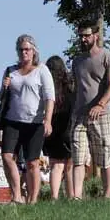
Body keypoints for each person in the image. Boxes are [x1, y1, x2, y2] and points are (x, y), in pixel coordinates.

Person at [0, 34, 55, 204]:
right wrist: (4, 87)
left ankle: (33, 199)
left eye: (27, 49)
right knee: (7, 156)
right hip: (12, 120)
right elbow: (1, 97)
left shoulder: (42, 70)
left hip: (34, 122)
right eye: (21, 49)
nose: (24, 53)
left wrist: (48, 120)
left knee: (32, 163)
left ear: (34, 50)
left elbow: (49, 97)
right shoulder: (10, 71)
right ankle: (16, 195)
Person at [70, 21, 110, 199]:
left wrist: (101, 104)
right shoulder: (77, 61)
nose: (83, 39)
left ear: (96, 35)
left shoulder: (109, 57)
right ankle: (76, 197)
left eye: (86, 35)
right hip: (79, 115)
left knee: (105, 156)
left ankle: (106, 196)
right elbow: (75, 88)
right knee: (78, 156)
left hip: (102, 114)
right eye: (81, 36)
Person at [43, 55, 75, 200]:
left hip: (51, 129)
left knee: (56, 165)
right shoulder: (70, 87)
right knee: (69, 166)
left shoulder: (47, 89)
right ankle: (72, 196)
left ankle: (54, 197)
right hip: (68, 128)